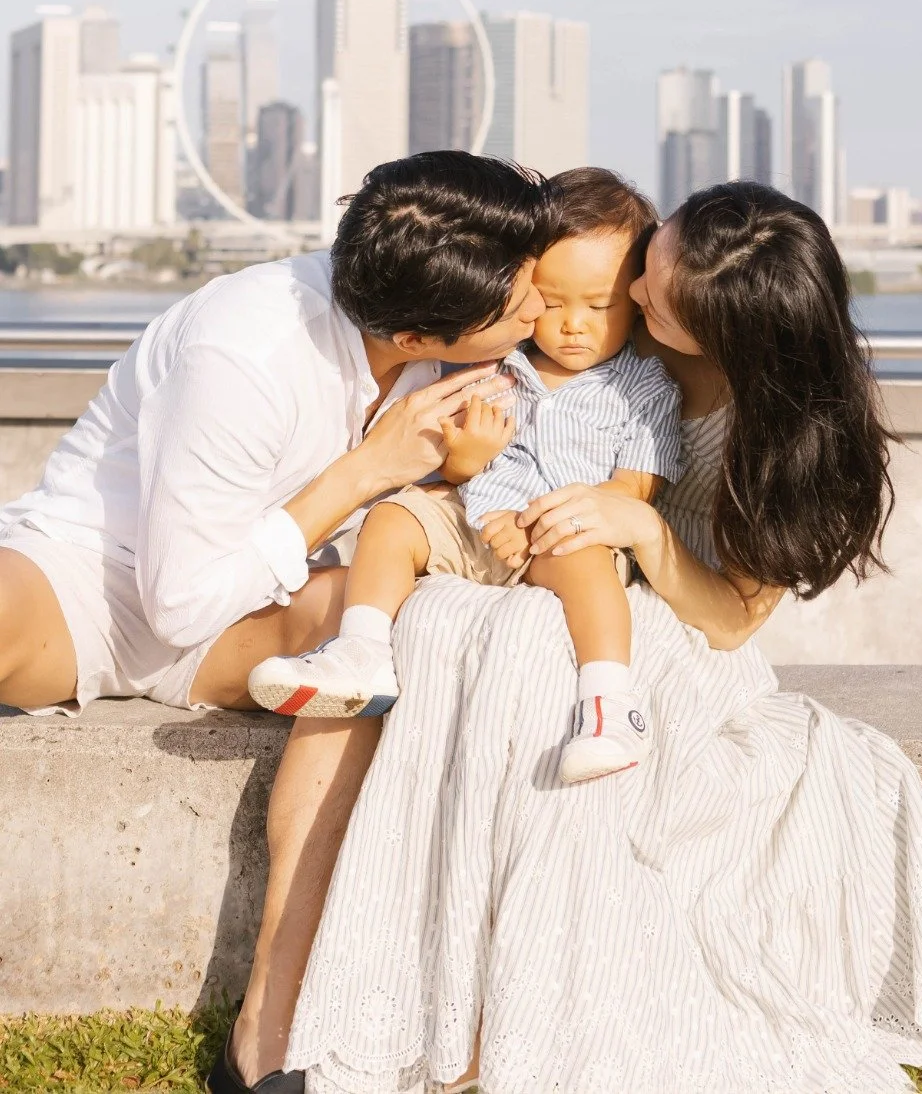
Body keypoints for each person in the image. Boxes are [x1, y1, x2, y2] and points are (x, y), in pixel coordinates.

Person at [286, 175, 922, 1093]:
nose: (641, 286)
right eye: (653, 258)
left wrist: (645, 531)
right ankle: (443, 991)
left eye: (654, 288)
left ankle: (513, 1017)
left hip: (678, 634)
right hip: (548, 565)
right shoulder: (597, 345)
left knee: (534, 651)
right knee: (460, 621)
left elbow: (731, 622)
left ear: (720, 328)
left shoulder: (773, 429)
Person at [0, 151, 559, 1094]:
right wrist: (362, 472)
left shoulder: (468, 347)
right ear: (423, 328)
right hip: (93, 580)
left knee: (406, 630)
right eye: (523, 303)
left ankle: (270, 1022)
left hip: (261, 611)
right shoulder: (247, 348)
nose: (539, 314)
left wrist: (456, 480)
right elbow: (175, 598)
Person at [247, 176, 685, 784]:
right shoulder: (493, 364)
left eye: (598, 306)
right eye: (551, 302)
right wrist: (466, 460)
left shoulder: (642, 390)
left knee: (588, 568)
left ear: (634, 303)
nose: (571, 325)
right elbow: (449, 473)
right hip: (473, 519)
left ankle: (610, 704)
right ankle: (363, 649)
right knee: (394, 518)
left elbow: (634, 491)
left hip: (565, 531)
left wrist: (539, 522)